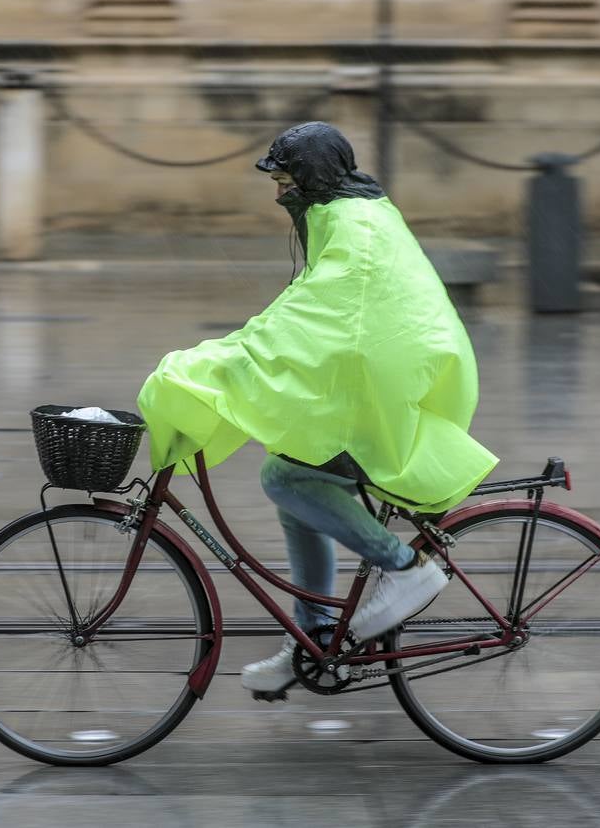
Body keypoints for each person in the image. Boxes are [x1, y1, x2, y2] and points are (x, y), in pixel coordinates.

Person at [136, 121, 498, 695]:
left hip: (388, 381)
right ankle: (316, 637)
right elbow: (310, 309)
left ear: (310, 178)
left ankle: (405, 569)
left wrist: (230, 359)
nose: (278, 193)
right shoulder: (350, 213)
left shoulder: (352, 225)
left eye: (284, 180)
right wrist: (240, 351)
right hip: (384, 369)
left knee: (285, 478)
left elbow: (312, 317)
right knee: (290, 470)